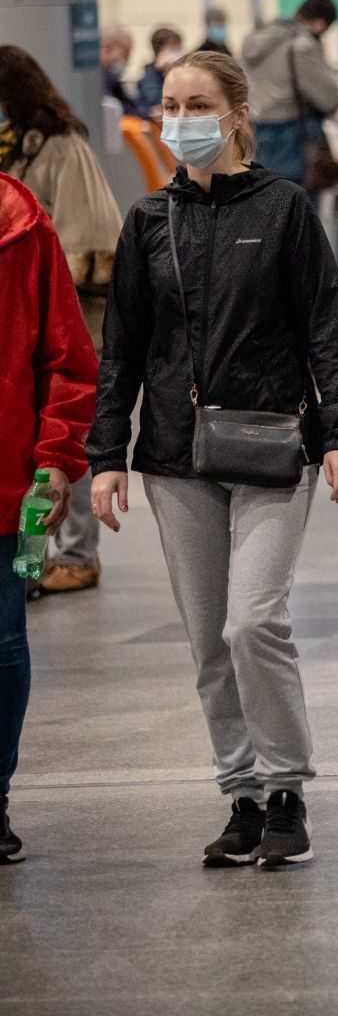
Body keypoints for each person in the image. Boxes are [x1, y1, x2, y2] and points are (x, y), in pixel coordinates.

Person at [87, 51, 338, 869]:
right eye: (171, 105)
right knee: (209, 639)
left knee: (255, 620)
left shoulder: (283, 210)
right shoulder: (147, 221)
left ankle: (287, 789)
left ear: (238, 113)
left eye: (198, 104)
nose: (180, 119)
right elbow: (123, 350)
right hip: (176, 457)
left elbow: (326, 327)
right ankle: (241, 794)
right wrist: (107, 454)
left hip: (276, 445)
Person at [0, 169, 98, 862]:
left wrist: (57, 456)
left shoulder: (22, 226)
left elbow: (66, 358)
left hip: (6, 483)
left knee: (3, 643)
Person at [0, 46, 123, 594]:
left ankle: (76, 555)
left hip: (71, 313)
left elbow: (92, 237)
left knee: (67, 442)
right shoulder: (17, 150)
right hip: (24, 324)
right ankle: (31, 567)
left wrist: (40, 275)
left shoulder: (62, 147)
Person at [241, 0, 338, 187]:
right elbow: (329, 99)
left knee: (270, 194)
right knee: (300, 201)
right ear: (320, 23)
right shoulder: (301, 44)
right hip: (292, 133)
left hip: (257, 127)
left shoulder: (255, 40)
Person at [136, 27, 184, 119]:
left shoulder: (184, 71)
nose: (180, 50)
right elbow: (156, 107)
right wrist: (166, 72)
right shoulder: (150, 75)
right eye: (174, 46)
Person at [101, 25, 138, 116]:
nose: (127, 61)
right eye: (125, 54)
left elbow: (134, 107)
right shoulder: (96, 81)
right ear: (107, 49)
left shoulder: (112, 79)